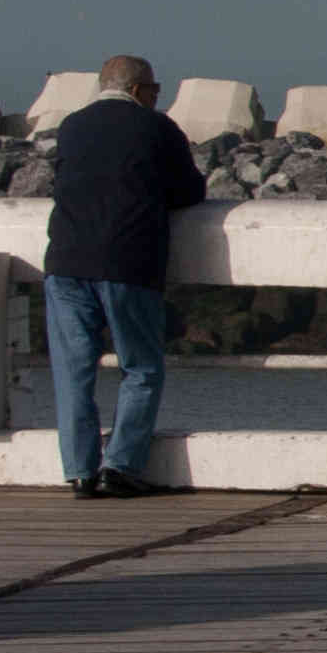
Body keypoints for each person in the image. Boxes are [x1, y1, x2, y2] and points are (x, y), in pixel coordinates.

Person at [40, 54, 205, 498]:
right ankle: (121, 467)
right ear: (137, 90)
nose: (157, 96)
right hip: (129, 263)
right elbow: (190, 190)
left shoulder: (73, 125)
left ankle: (79, 470)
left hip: (67, 262)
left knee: (74, 372)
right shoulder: (157, 128)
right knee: (142, 368)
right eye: (154, 89)